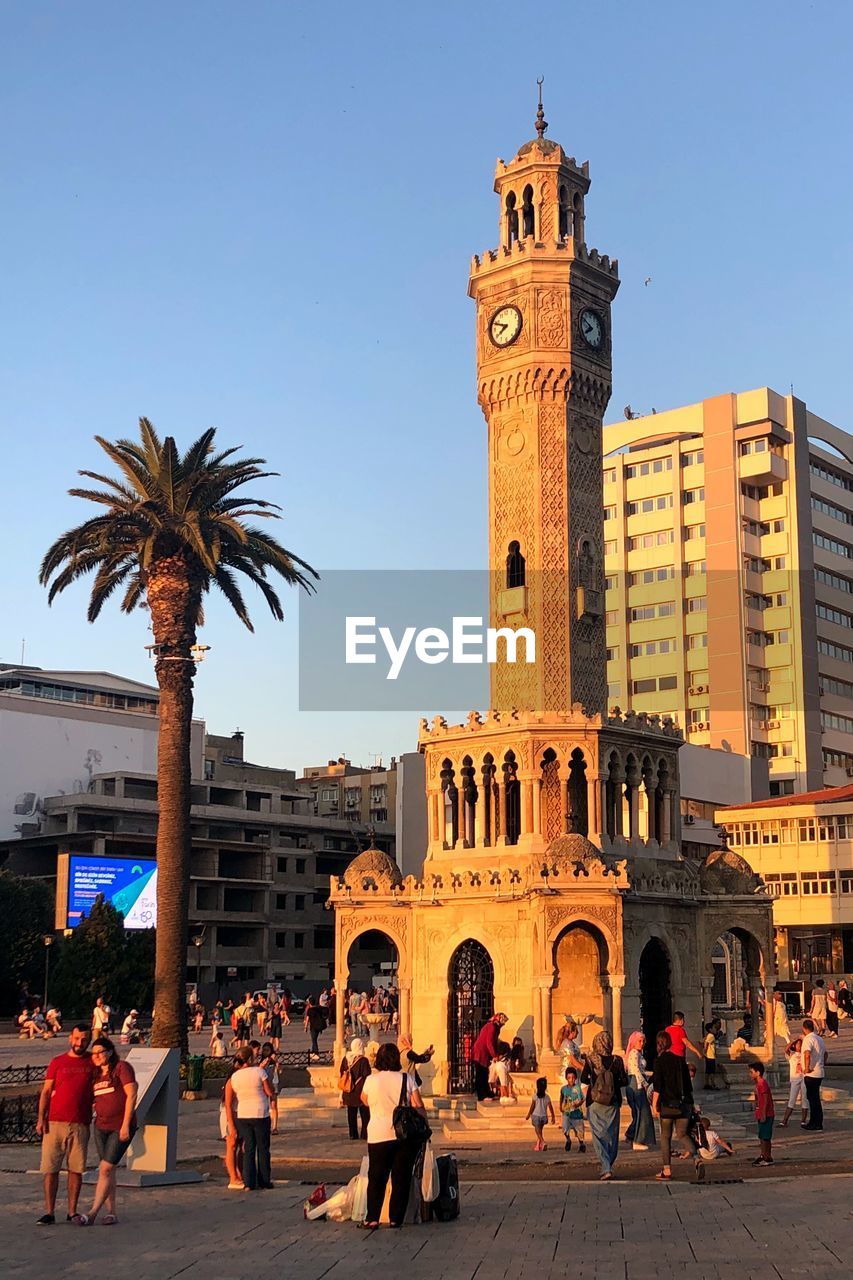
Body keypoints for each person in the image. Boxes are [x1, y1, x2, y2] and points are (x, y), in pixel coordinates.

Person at [359, 1042, 427, 1229]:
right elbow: (417, 1105)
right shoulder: (406, 1078)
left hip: (378, 1134)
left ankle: (372, 1217)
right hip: (402, 1135)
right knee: (401, 1177)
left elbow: (363, 1100)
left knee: (377, 1177)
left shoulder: (371, 1080)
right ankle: (396, 1218)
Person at [72, 1037, 138, 1225]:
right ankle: (111, 1212)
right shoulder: (95, 1075)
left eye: (101, 1052)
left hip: (120, 1126)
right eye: (94, 1053)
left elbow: (132, 1093)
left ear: (109, 1052)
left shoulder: (121, 1068)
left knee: (106, 1168)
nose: (97, 1056)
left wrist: (126, 1124)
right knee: (109, 1170)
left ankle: (92, 1213)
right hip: (101, 1126)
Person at [35, 1024, 95, 1224]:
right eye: (77, 1039)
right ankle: (49, 1211)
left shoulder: (92, 1063)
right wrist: (40, 1119)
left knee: (76, 1169)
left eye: (84, 1040)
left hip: (80, 1124)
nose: (80, 1043)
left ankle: (72, 1211)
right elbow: (46, 1092)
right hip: (54, 1123)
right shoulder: (57, 1062)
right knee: (50, 1168)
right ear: (70, 1038)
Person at [651, 1029, 703, 1182]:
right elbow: (688, 1085)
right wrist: (691, 1103)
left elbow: (658, 1086)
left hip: (668, 1104)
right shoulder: (681, 1061)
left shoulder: (659, 1062)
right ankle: (696, 1158)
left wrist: (654, 1105)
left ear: (658, 1045)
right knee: (682, 1134)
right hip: (684, 1103)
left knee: (666, 1137)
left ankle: (667, 1170)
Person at [224, 1045, 276, 1190]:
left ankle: (249, 1182)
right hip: (260, 1113)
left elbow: (228, 1102)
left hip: (243, 1114)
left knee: (249, 1149)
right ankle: (265, 1180)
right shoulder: (259, 1071)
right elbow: (268, 1091)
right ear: (250, 1059)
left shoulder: (234, 1076)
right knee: (263, 1148)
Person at [581, 1031, 628, 1181]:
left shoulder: (591, 1059)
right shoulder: (617, 1060)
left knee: (597, 1135)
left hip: (595, 1101)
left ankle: (605, 1166)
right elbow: (624, 1081)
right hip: (613, 1101)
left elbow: (583, 1079)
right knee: (612, 1136)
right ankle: (608, 1164)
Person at [624, 1030, 655, 1150]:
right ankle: (638, 1140)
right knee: (643, 1113)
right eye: (639, 1041)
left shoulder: (637, 1053)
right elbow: (636, 1071)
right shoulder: (634, 1053)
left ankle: (631, 1135)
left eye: (643, 1041)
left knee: (638, 1113)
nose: (642, 1043)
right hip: (636, 1085)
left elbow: (639, 1070)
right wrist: (645, 1084)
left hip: (636, 1083)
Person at [471, 1012, 509, 1101]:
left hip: (484, 1054)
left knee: (484, 1073)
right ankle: (482, 1095)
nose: (503, 1025)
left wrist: (495, 1055)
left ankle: (487, 1092)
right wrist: (494, 1055)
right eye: (502, 1022)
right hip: (480, 1053)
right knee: (481, 1074)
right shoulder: (491, 1027)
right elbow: (489, 1043)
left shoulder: (496, 1028)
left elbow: (494, 1043)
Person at [340, 1037, 372, 1140]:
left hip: (349, 1091)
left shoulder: (346, 1058)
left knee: (351, 1114)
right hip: (360, 1090)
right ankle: (364, 1134)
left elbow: (341, 1072)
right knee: (365, 1114)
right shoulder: (363, 1060)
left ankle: (353, 1134)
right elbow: (367, 1075)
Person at [800, 1017, 826, 1132]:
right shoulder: (819, 1039)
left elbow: (807, 1053)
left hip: (812, 1074)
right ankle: (816, 1122)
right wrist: (822, 1064)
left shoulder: (808, 1039)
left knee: (812, 1099)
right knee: (815, 1099)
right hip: (819, 1072)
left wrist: (807, 1068)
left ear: (804, 1029)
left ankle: (815, 1123)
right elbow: (826, 1054)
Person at [749, 1061, 775, 1167]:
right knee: (762, 1136)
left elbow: (766, 1099)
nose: (750, 1074)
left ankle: (766, 1156)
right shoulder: (758, 1085)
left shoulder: (762, 1084)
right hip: (761, 1113)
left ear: (758, 1072)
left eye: (751, 1072)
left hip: (766, 1114)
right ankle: (764, 1155)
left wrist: (763, 1113)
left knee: (765, 1137)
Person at [559, 1067, 586, 1152]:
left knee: (579, 1131)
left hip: (576, 1113)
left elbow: (582, 1099)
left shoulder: (577, 1088)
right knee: (565, 1129)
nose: (571, 1080)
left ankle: (581, 1144)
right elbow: (562, 1097)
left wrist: (578, 1104)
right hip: (567, 1113)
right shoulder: (564, 1089)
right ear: (566, 1078)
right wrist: (560, 1106)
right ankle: (568, 1140)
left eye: (573, 1078)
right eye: (569, 1078)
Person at [526, 1076, 555, 1152]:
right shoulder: (547, 1097)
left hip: (536, 1115)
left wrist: (529, 1114)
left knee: (537, 1130)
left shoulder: (535, 1096)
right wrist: (553, 1116)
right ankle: (538, 1145)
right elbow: (550, 1107)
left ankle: (543, 1141)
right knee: (540, 1130)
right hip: (544, 1116)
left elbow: (532, 1107)